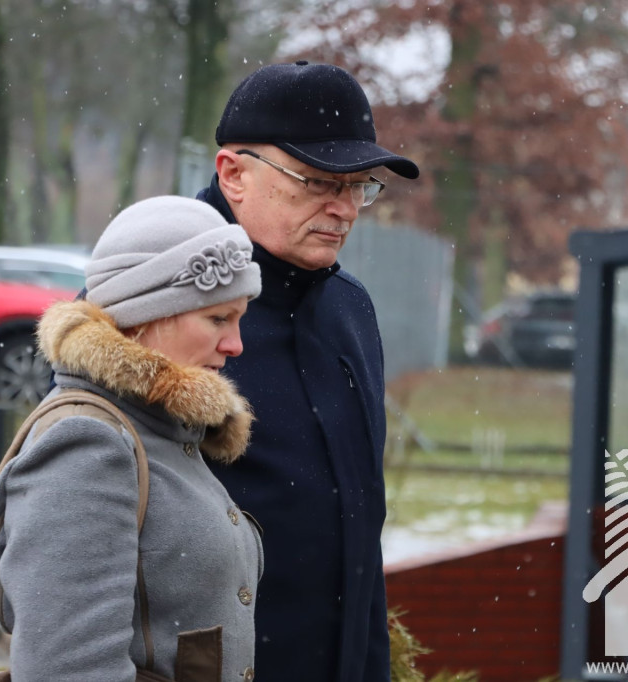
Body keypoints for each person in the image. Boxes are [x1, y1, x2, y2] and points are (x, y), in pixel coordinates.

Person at [198, 61, 420, 682]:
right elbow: (75, 545)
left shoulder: (349, 308)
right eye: (320, 181)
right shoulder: (156, 310)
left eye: (360, 186)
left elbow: (359, 539)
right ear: (234, 173)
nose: (345, 208)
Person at [0, 196, 264, 682]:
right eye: (218, 319)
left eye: (239, 319)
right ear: (143, 316)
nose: (235, 344)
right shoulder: (87, 444)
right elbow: (65, 670)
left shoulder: (159, 428)